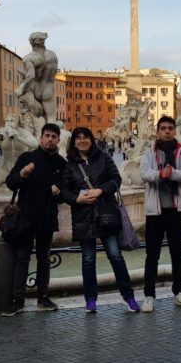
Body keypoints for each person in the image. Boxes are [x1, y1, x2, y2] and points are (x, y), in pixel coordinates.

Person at [60, 127, 140, 313]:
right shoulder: (69, 165)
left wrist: (101, 190)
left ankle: (128, 297)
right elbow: (65, 191)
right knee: (88, 259)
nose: (82, 141)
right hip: (83, 217)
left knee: (115, 256)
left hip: (106, 214)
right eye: (78, 138)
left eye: (85, 137)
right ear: (73, 142)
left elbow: (116, 180)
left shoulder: (103, 157)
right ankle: (90, 300)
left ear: (91, 139)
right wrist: (76, 199)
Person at [2, 123, 66, 317]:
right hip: (25, 217)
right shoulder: (27, 158)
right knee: (22, 259)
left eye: (54, 136)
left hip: (47, 218)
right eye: (47, 135)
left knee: (44, 260)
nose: (50, 139)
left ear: (58, 140)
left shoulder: (62, 163)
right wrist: (21, 174)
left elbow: (65, 195)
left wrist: (59, 193)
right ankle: (18, 300)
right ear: (41, 138)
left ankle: (43, 297)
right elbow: (10, 183)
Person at [140, 116, 181, 312]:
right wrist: (159, 174)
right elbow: (144, 173)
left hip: (176, 209)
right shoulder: (149, 151)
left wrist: (171, 174)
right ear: (157, 131)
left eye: (170, 128)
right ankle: (148, 295)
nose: (167, 131)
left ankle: (179, 292)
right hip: (155, 210)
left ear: (174, 131)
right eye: (163, 128)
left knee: (177, 253)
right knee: (151, 255)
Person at [15, 32, 59, 123]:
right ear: (43, 41)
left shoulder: (29, 58)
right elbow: (53, 73)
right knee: (51, 119)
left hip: (36, 89)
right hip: (48, 89)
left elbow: (31, 76)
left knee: (35, 119)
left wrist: (21, 90)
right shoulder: (53, 56)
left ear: (31, 42)